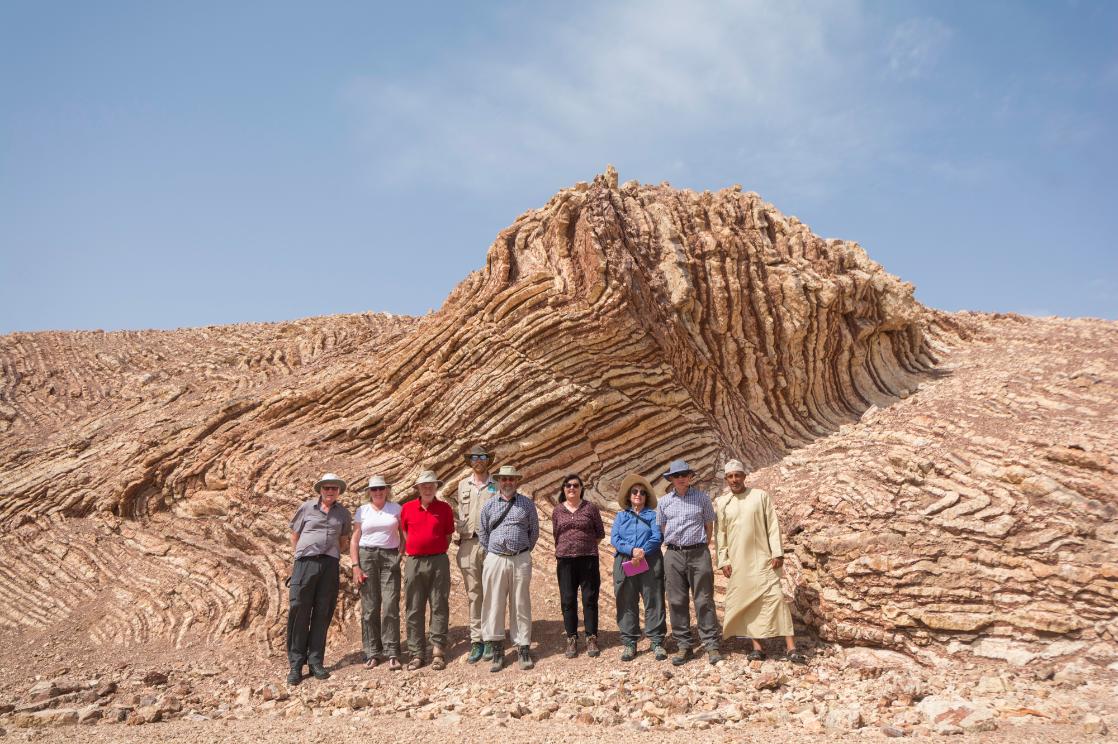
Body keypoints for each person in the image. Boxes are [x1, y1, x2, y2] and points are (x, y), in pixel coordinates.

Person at [715, 459, 805, 664]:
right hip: (739, 562)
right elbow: (721, 535)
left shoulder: (760, 497)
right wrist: (723, 560)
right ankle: (757, 648)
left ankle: (791, 648)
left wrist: (777, 553)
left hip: (764, 559)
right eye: (730, 476)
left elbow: (772, 526)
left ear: (744, 477)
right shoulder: (723, 503)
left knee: (776, 599)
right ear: (726, 479)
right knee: (749, 603)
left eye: (738, 475)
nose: (734, 479)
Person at [286, 472, 352, 685]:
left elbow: (343, 541)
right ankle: (296, 664)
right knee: (299, 609)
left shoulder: (343, 513)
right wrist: (299, 556)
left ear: (338, 491)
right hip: (305, 563)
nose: (330, 491)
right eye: (326, 488)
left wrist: (332, 552)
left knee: (323, 612)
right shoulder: (306, 508)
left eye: (334, 488)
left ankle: (315, 662)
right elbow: (294, 535)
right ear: (320, 490)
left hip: (329, 564)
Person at [656, 459, 722, 666]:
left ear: (690, 476)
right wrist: (676, 545)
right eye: (677, 475)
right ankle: (684, 646)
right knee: (676, 600)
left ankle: (711, 644)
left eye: (684, 474)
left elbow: (709, 525)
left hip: (698, 553)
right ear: (671, 479)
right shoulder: (664, 502)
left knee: (704, 599)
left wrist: (701, 545)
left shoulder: (702, 498)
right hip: (674, 555)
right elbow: (661, 528)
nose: (681, 478)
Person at [477, 464, 539, 672]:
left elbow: (534, 532)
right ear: (498, 481)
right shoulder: (488, 505)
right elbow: (482, 532)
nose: (507, 483)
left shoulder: (527, 504)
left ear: (516, 481)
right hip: (495, 558)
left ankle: (523, 648)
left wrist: (522, 551)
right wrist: (494, 551)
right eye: (504, 479)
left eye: (511, 479)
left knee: (521, 603)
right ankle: (497, 650)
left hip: (520, 557)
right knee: (493, 603)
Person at [399, 470, 456, 671]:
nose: (428, 487)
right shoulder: (407, 508)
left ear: (436, 487)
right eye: (424, 485)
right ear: (417, 488)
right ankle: (416, 653)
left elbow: (448, 534)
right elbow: (404, 532)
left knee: (439, 604)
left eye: (431, 484)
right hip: (414, 562)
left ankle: (438, 651)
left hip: (439, 561)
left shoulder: (445, 508)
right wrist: (417, 547)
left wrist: (434, 548)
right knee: (414, 607)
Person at [610, 473, 668, 661]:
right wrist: (632, 550)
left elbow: (657, 537)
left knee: (654, 599)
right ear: (629, 496)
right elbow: (615, 539)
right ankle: (629, 643)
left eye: (642, 493)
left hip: (649, 560)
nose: (638, 495)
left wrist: (642, 551)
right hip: (625, 560)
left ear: (646, 497)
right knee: (626, 601)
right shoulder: (620, 517)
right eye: (634, 492)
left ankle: (656, 641)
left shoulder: (653, 516)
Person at [350, 475, 403, 671]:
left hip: (389, 556)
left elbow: (404, 534)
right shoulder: (362, 511)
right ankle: (372, 652)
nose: (378, 492)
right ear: (369, 492)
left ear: (387, 489)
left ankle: (392, 652)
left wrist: (401, 554)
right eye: (374, 489)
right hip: (367, 556)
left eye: (381, 488)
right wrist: (355, 565)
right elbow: (355, 539)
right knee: (370, 606)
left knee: (390, 604)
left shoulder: (396, 509)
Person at [552, 474, 605, 659]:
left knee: (590, 598)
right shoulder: (557, 510)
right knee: (568, 599)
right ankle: (572, 638)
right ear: (563, 489)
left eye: (575, 485)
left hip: (588, 558)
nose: (571, 488)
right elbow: (556, 535)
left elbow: (600, 533)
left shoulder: (590, 508)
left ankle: (591, 636)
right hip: (565, 560)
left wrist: (585, 546)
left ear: (582, 488)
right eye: (567, 486)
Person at [456, 445, 497, 664]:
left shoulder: (496, 485)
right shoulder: (462, 485)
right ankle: (476, 640)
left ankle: (490, 638)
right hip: (467, 544)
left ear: (488, 460)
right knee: (474, 593)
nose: (478, 460)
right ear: (469, 461)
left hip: (490, 544)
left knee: (491, 592)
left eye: (482, 456)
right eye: (474, 457)